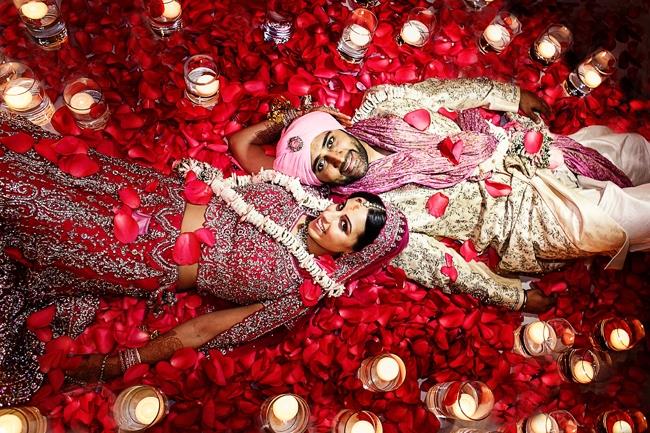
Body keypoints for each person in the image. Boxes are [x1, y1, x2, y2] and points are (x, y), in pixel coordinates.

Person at [0, 117, 409, 406]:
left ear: (352, 251)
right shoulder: (299, 192)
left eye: (344, 224)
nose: (329, 216)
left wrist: (122, 360)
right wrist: (287, 118)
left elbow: (205, 329)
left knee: (20, 204)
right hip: (148, 194)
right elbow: (241, 145)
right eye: (344, 206)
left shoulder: (299, 290)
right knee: (23, 168)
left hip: (137, 255)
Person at [229, 77, 650, 313]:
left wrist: (506, 95)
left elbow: (445, 93)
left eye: (329, 142)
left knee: (634, 152)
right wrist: (513, 295)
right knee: (628, 214)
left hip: (535, 153)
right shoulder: (373, 218)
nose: (336, 158)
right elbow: (445, 266)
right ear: (321, 182)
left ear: (337, 125)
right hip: (532, 225)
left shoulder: (382, 104)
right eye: (321, 164)